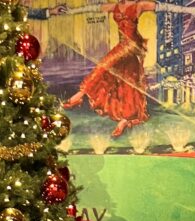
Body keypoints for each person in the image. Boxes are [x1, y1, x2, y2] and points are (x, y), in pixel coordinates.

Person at [62, 0, 154, 137]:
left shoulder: (139, 5)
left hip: (131, 45)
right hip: (123, 45)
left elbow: (165, 7)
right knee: (129, 81)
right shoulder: (115, 6)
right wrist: (71, 11)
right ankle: (125, 120)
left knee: (103, 66)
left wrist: (192, 11)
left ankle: (80, 95)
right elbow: (91, 8)